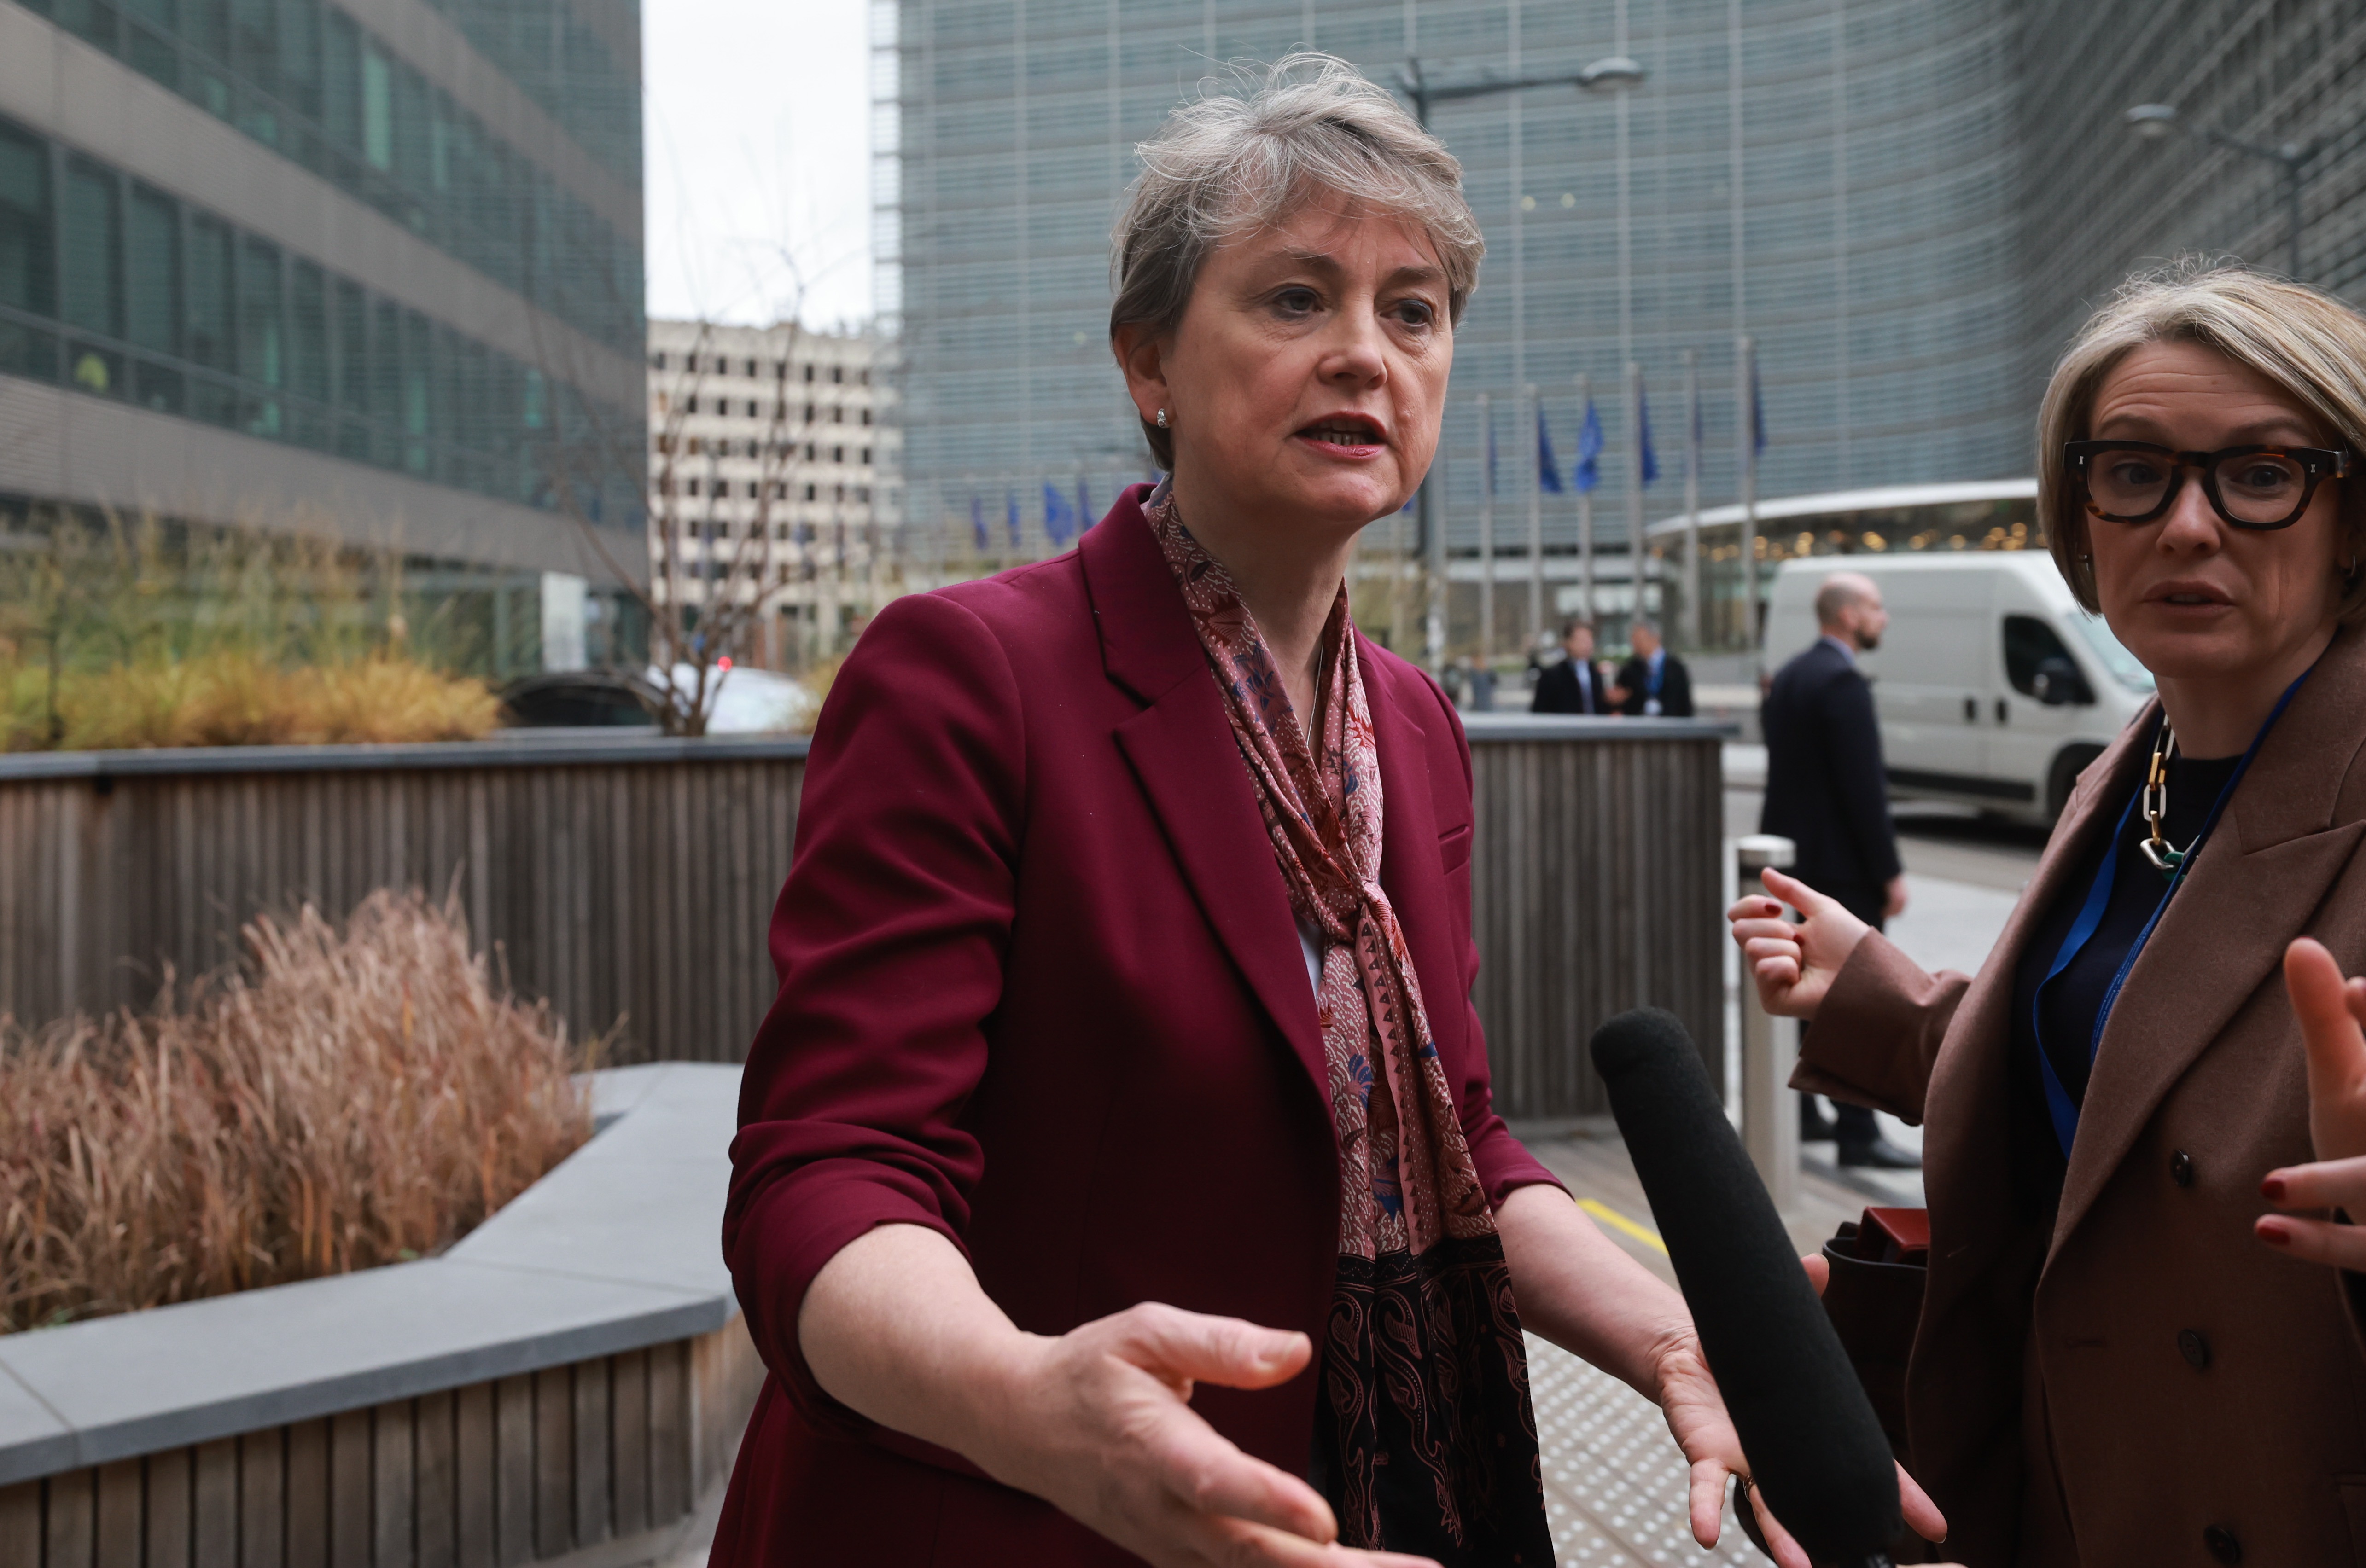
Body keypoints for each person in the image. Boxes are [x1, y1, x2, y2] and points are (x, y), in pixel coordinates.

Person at [721, 55, 1941, 1568]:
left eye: (1410, 309)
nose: (1363, 353)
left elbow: (1467, 1140)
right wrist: (1028, 1401)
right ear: (1147, 363)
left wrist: (1673, 1339)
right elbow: (827, 1169)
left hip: (1375, 1501)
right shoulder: (971, 673)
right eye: (1295, 298)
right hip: (1016, 1509)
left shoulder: (1413, 726)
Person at [1729, 263, 2366, 1566]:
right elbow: (2128, 1073)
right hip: (2075, 1484)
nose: (2188, 523)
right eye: (2133, 470)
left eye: (2258, 473)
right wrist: (1884, 997)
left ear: (2351, 515)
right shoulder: (2127, 770)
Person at [1759, 572, 1920, 1169]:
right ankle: (1857, 1129)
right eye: (1876, 607)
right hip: (1845, 869)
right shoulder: (1843, 682)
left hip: (1797, 861)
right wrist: (1888, 872)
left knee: (1805, 981)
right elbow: (1863, 791)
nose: (1884, 618)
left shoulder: (1794, 675)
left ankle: (1805, 1115)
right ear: (1848, 616)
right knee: (1858, 991)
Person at [1611, 618, 1693, 716]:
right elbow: (1619, 702)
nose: (1636, 644)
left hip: (1670, 727)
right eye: (1634, 640)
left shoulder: (1676, 669)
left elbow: (1685, 705)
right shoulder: (1630, 670)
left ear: (1655, 638)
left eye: (1640, 639)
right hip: (1639, 727)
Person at [1531, 616, 1613, 714]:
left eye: (1589, 639)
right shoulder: (1553, 676)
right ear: (1568, 642)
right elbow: (1540, 711)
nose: (1587, 644)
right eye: (1581, 640)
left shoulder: (1595, 672)